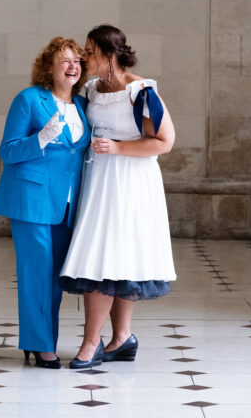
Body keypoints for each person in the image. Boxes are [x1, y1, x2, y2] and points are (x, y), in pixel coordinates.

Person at [60, 24, 177, 369]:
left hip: (130, 182)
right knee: (109, 257)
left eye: (90, 51)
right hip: (99, 179)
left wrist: (118, 147)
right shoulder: (94, 89)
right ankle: (122, 338)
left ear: (110, 55)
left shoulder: (141, 92)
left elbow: (164, 141)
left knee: (110, 257)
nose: (84, 56)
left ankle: (92, 343)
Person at [0, 37, 90, 369]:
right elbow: (7, 150)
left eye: (77, 60)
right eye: (65, 60)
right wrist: (40, 139)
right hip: (31, 201)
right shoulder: (29, 99)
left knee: (55, 278)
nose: (73, 66)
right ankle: (40, 345)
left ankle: (44, 340)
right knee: (36, 274)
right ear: (48, 67)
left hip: (66, 205)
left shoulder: (82, 107)